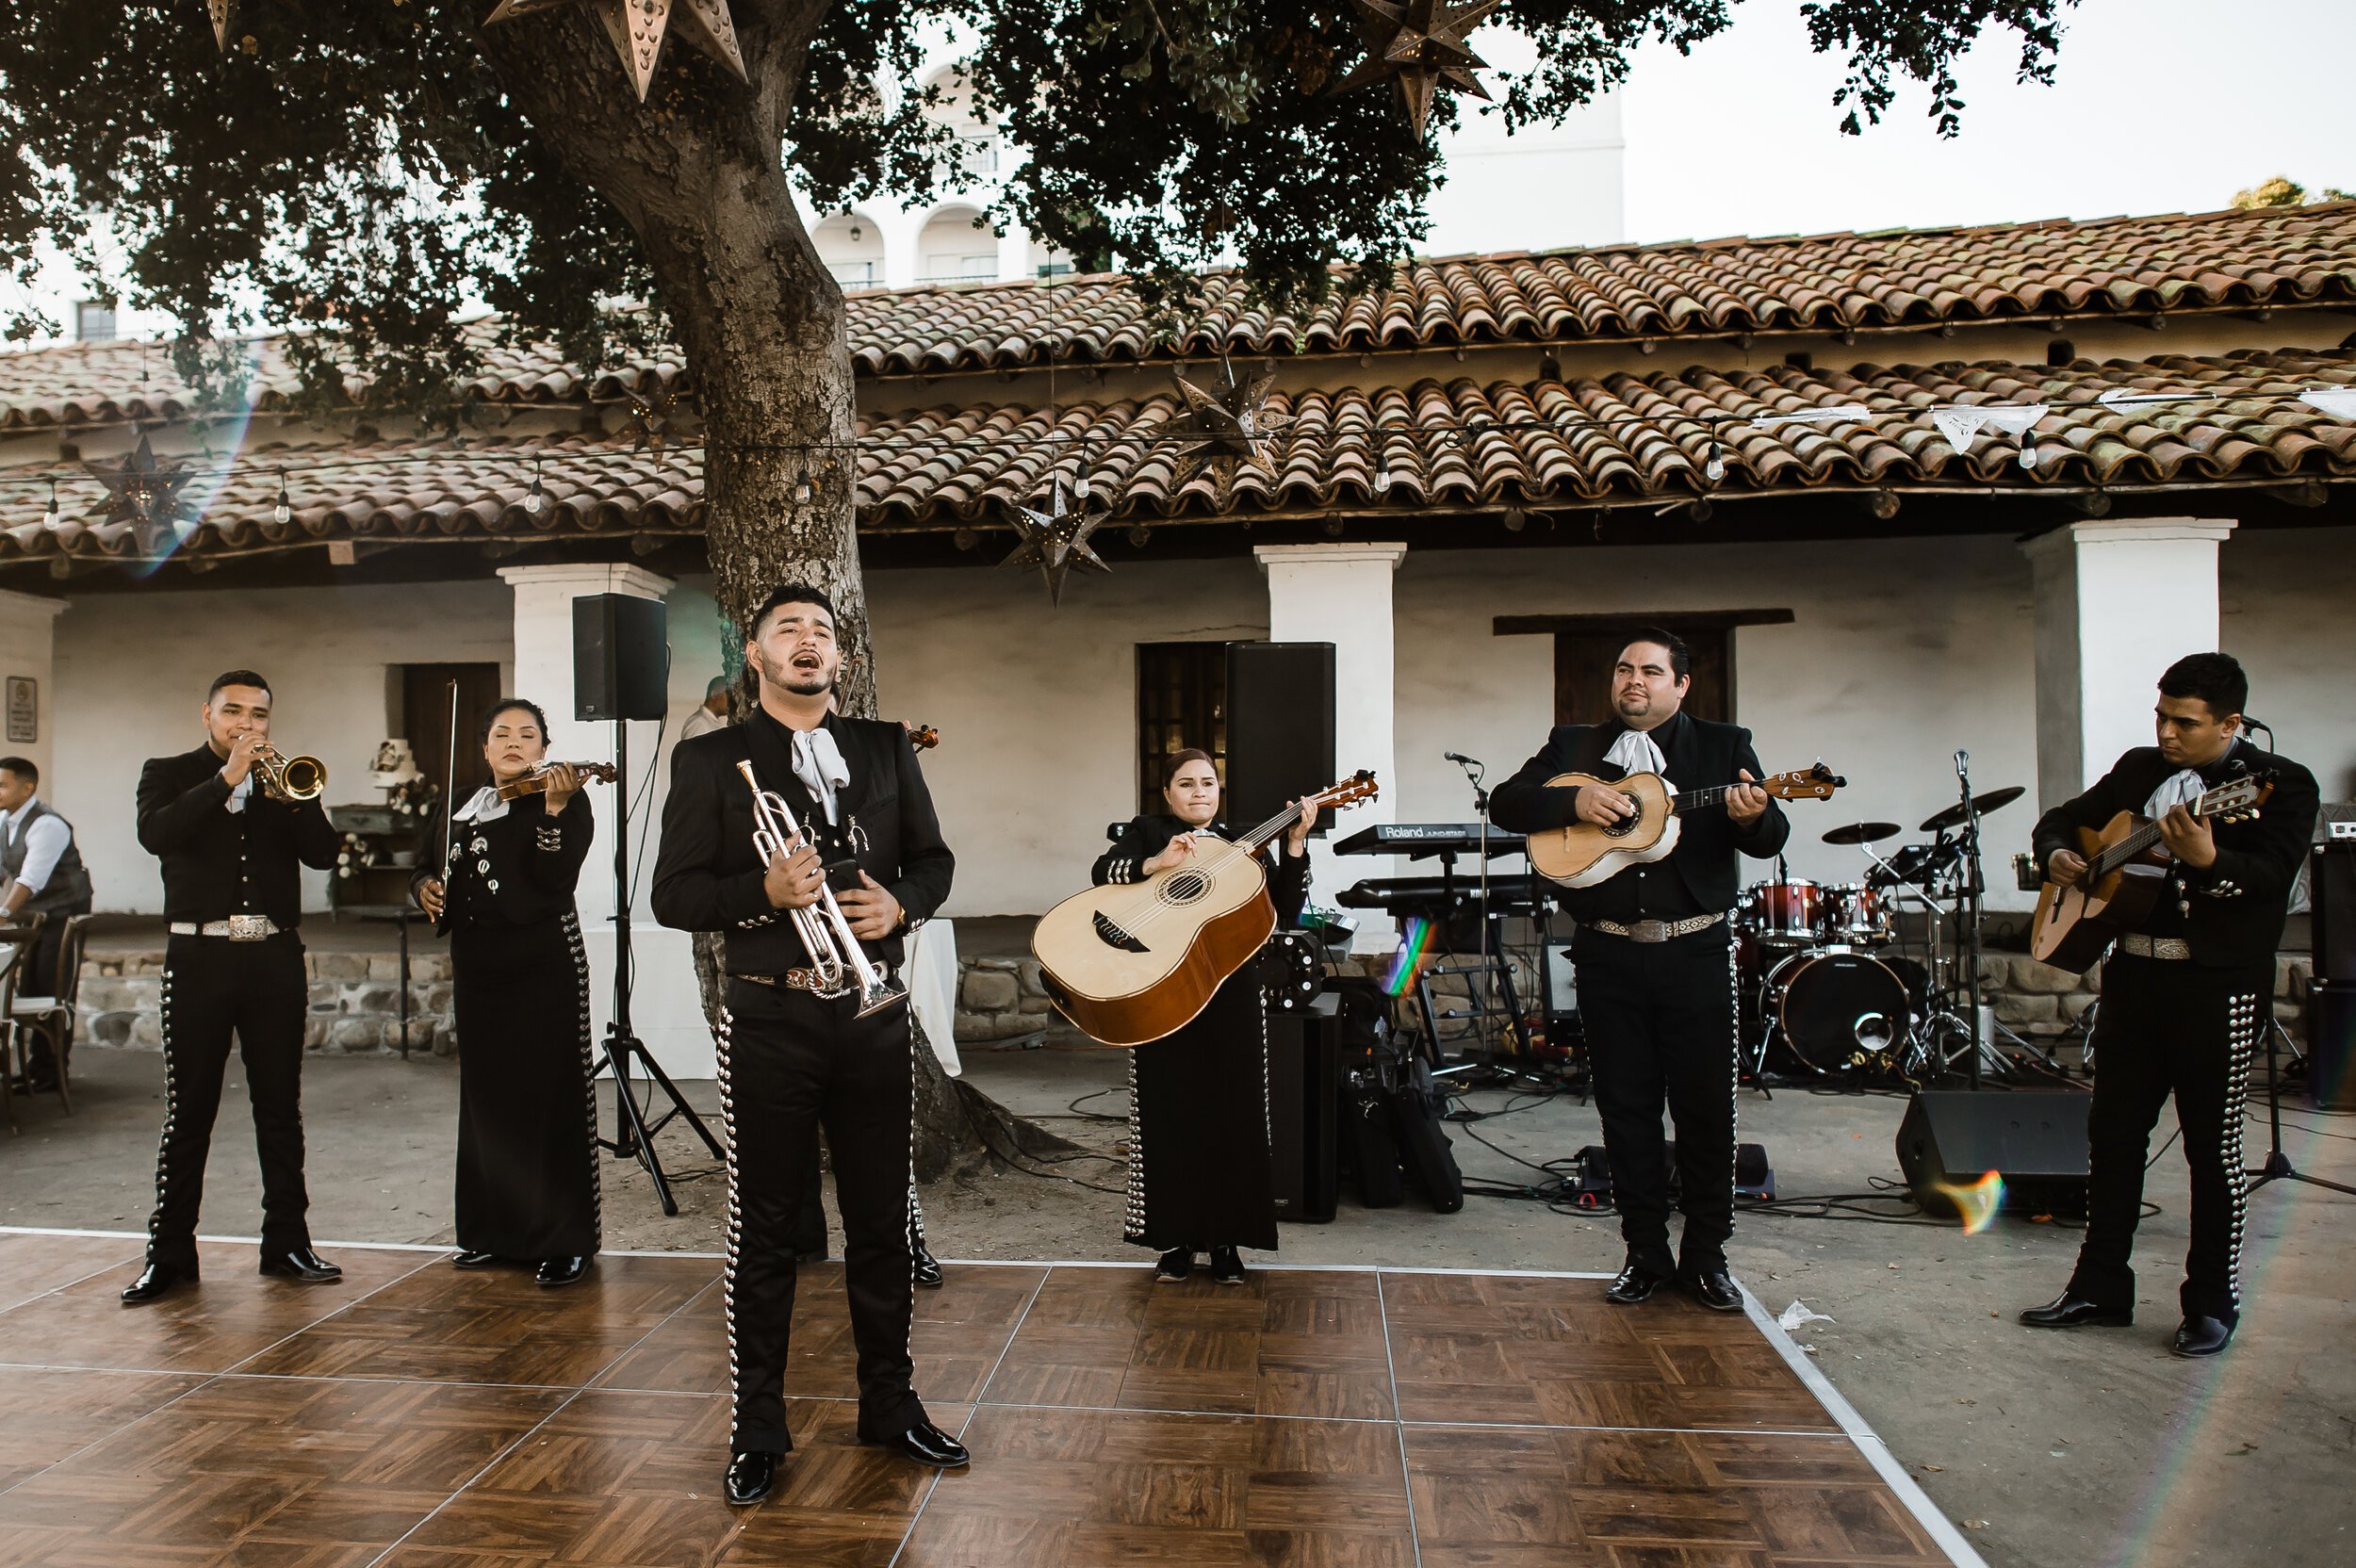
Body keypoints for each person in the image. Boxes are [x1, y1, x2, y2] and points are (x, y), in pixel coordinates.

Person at [652, 581, 962, 1505]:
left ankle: (890, 1404)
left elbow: (935, 857)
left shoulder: (883, 746)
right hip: (768, 1017)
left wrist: (905, 901)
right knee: (767, 1229)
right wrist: (764, 892)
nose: (807, 641)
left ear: (842, 657)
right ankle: (758, 1428)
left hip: (871, 1014)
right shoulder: (710, 760)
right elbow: (675, 896)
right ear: (755, 654)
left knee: (880, 1222)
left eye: (822, 631)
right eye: (787, 628)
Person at [2020, 653, 2317, 1358]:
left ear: (2231, 724)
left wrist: (2211, 861)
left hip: (2217, 989)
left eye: (2185, 723)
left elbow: (2274, 879)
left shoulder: (2281, 785)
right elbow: (2063, 819)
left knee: (2214, 1152)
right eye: (2161, 716)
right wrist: (2059, 853)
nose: (2168, 733)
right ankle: (2100, 1287)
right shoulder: (2138, 768)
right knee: (2112, 1139)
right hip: (2133, 982)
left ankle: (2211, 1303)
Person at [1491, 629, 1785, 1312]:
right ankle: (1644, 1253)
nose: (1635, 681)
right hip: (1607, 952)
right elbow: (1507, 801)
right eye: (1625, 668)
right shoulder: (1574, 746)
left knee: (1706, 1110)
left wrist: (1754, 816)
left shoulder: (1723, 745)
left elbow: (1769, 840)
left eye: (1652, 671)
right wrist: (1573, 803)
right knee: (1626, 1111)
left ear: (1681, 685)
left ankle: (1707, 1258)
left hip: (1696, 950)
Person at [124, 670, 344, 1305]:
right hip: (198, 958)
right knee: (189, 1111)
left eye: (259, 715)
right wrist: (226, 779)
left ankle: (287, 1244)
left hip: (273, 956)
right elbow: (156, 833)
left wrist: (296, 803)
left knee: (280, 1108)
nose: (247, 724)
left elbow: (325, 855)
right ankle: (168, 1255)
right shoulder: (166, 771)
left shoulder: (286, 777)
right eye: (234, 712)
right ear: (208, 715)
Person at [1093, 749, 1315, 1284]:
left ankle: (1227, 1244)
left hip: (1231, 990)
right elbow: (1103, 873)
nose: (1199, 792)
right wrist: (1155, 864)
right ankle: (1176, 1242)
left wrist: (1295, 845)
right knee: (1169, 1113)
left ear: (1220, 792)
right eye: (1186, 784)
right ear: (1167, 793)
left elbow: (1283, 913)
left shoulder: (1247, 844)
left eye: (1208, 783)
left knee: (1233, 1115)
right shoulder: (1149, 831)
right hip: (1161, 988)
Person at [411, 700, 599, 1288]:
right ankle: (494, 1233)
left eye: (528, 734)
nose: (514, 742)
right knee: (489, 1103)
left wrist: (553, 809)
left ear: (543, 747)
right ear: (485, 747)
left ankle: (565, 1240)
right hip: (479, 971)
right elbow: (423, 864)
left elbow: (553, 881)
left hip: (544, 968)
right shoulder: (458, 800)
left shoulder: (566, 798)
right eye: (502, 734)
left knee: (550, 1099)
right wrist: (424, 888)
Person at [0, 755, 93, 1091]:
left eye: (2, 784)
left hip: (62, 915)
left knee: (53, 991)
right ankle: (33, 1070)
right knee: (26, 989)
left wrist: (4, 914)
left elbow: (30, 880)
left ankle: (52, 1072)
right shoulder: (4, 822)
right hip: (36, 917)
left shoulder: (47, 824)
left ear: (27, 788)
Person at [680, 674, 731, 741]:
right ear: (714, 695)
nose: (732, 701)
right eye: (728, 695)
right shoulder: (699, 723)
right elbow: (690, 751)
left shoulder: (706, 722)